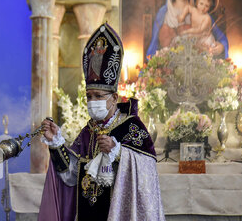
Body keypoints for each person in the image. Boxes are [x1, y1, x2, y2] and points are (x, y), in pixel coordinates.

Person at [38, 23, 165, 221]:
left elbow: (147, 170)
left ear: (114, 98)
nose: (92, 101)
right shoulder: (88, 131)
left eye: (98, 95)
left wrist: (118, 152)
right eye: (89, 96)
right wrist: (56, 144)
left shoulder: (132, 127)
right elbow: (71, 176)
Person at [146, 0, 228, 59]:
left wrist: (221, 46)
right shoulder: (163, 12)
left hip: (197, 60)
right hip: (170, 61)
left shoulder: (200, 11)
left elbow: (219, 35)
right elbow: (154, 42)